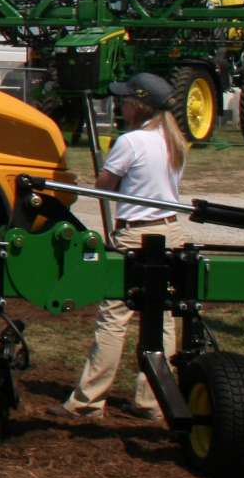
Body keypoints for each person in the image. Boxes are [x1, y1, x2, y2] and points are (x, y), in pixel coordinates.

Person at [54, 73, 187, 423]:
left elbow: (105, 185)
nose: (120, 103)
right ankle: (153, 399)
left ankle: (88, 400)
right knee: (163, 319)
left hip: (136, 236)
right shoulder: (174, 142)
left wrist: (104, 171)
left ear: (138, 105)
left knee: (114, 318)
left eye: (125, 99)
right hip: (169, 231)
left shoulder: (131, 142)